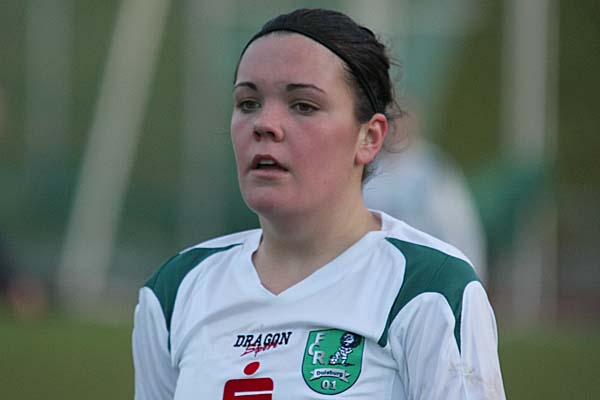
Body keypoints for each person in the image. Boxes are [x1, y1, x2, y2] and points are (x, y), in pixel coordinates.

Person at [132, 8, 505, 399]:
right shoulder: (177, 290)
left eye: (303, 105)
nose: (264, 124)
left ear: (370, 138)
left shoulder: (428, 288)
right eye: (248, 103)